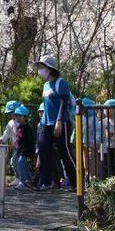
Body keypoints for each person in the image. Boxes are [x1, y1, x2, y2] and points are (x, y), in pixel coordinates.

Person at [35, 54, 76, 191]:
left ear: (50, 68)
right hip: (45, 123)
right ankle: (47, 182)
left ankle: (77, 182)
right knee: (44, 151)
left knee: (65, 152)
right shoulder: (46, 85)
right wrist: (42, 122)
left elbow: (64, 102)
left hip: (60, 122)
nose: (40, 69)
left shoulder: (60, 82)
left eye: (42, 66)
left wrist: (59, 121)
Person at [13, 105, 34, 189]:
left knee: (21, 163)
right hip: (20, 150)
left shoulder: (28, 128)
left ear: (25, 117)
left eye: (19, 116)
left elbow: (30, 141)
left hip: (25, 150)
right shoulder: (19, 127)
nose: (17, 117)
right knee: (18, 162)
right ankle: (28, 180)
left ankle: (23, 181)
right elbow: (18, 138)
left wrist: (30, 151)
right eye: (16, 115)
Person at [0, 100, 20, 183]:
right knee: (14, 161)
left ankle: (22, 179)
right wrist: (2, 139)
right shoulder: (10, 123)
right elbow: (7, 133)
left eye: (12, 113)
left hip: (22, 146)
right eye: (10, 113)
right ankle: (18, 178)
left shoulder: (23, 122)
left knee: (19, 162)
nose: (11, 115)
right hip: (15, 147)